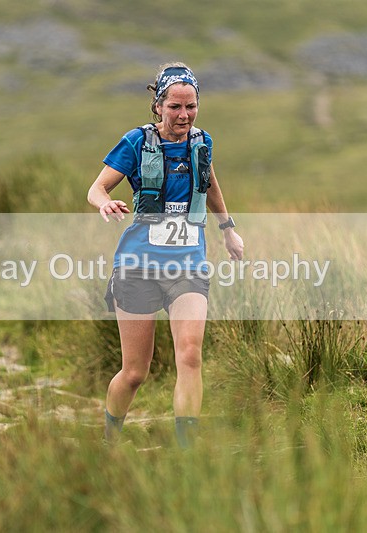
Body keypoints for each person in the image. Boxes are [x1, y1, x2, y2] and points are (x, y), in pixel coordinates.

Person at [87, 62, 244, 449]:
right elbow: (96, 188)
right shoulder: (136, 143)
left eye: (191, 107)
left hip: (187, 263)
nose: (184, 115)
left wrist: (227, 229)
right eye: (175, 106)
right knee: (135, 372)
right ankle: (110, 440)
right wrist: (105, 203)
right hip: (138, 265)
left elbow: (208, 180)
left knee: (190, 355)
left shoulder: (201, 142)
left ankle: (187, 454)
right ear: (158, 106)